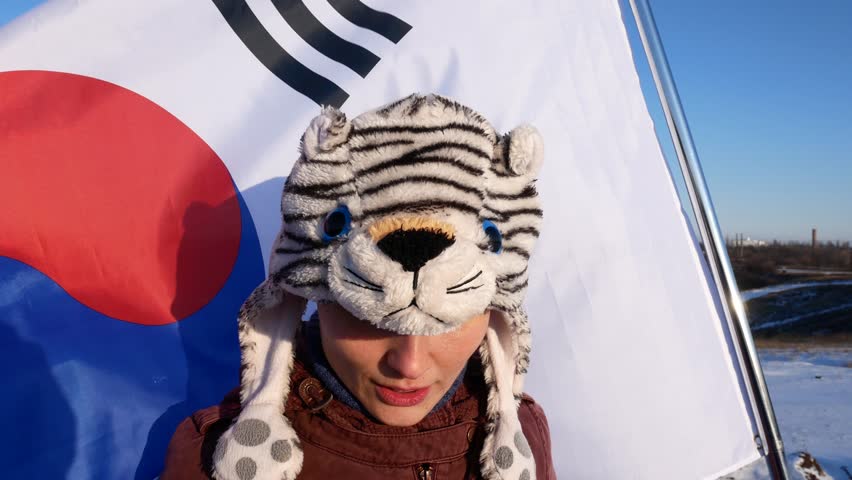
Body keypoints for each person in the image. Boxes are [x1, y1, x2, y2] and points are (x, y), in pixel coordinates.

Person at [161, 94, 556, 479]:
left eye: (449, 318)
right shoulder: (210, 461)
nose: (409, 365)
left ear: (496, 308)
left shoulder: (527, 433)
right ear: (311, 293)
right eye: (367, 313)